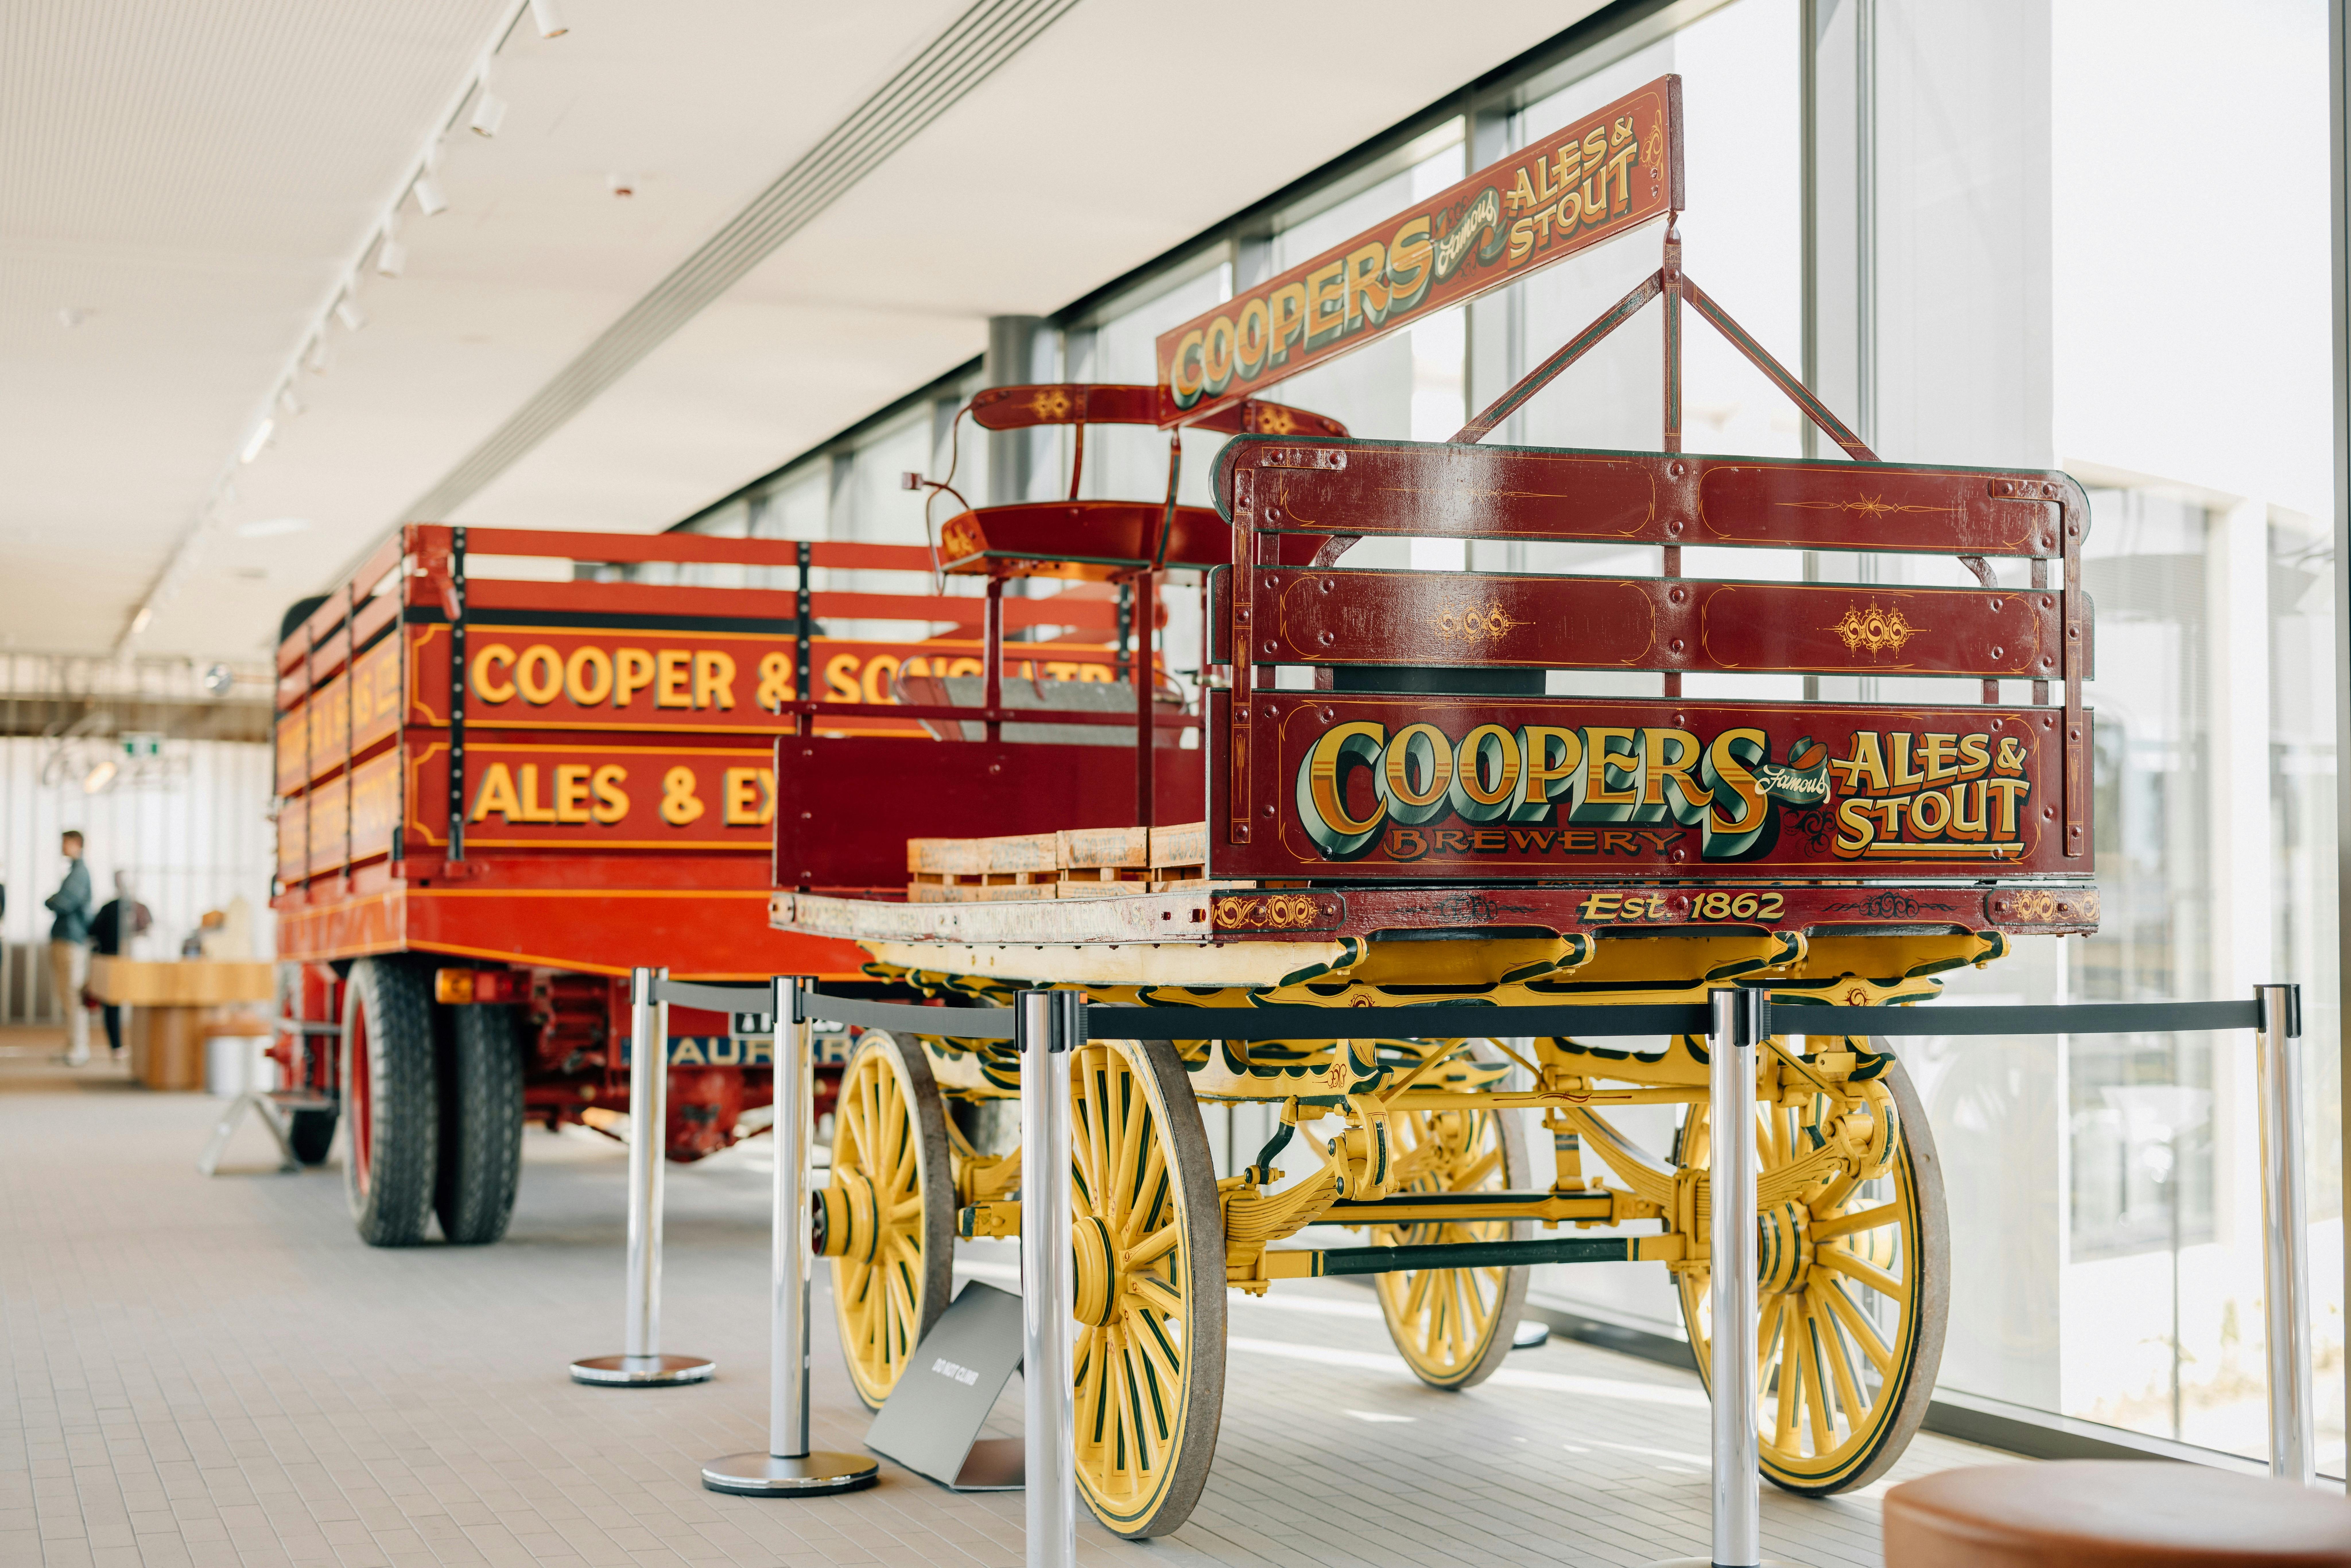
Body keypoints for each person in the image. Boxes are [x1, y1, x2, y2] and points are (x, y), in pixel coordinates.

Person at [89, 873, 151, 1061]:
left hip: (117, 962)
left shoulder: (113, 908)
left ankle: (119, 1047)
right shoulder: (139, 908)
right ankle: (121, 1046)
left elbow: (93, 932)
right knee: (117, 1004)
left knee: (114, 1005)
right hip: (127, 964)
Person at [44, 831, 91, 1066]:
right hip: (64, 938)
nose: (62, 847)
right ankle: (73, 1044)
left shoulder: (80, 873)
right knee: (66, 995)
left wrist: (51, 901)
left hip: (72, 941)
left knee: (73, 995)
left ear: (77, 844)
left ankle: (80, 1048)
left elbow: (61, 902)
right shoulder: (74, 872)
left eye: (66, 843)